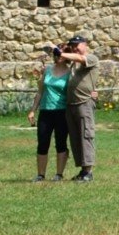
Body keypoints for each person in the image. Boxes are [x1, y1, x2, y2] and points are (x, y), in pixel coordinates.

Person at [30, 46, 78, 180]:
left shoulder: (70, 73)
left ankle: (59, 174)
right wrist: (33, 110)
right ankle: (40, 175)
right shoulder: (48, 70)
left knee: (61, 143)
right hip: (45, 111)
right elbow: (40, 91)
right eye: (56, 54)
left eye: (61, 54)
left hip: (62, 112)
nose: (58, 56)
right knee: (42, 143)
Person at [58, 34, 98, 180]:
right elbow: (59, 60)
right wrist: (62, 50)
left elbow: (81, 59)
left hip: (84, 103)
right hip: (72, 105)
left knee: (86, 136)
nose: (75, 48)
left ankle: (88, 172)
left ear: (85, 44)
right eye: (72, 45)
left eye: (77, 45)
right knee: (76, 138)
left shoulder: (91, 58)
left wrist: (63, 52)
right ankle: (83, 170)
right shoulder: (72, 63)